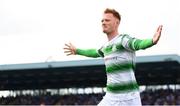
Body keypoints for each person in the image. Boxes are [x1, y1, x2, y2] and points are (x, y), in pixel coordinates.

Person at [63, 8, 163, 106]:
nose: (103, 22)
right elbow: (94, 52)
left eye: (107, 20)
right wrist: (77, 51)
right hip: (111, 97)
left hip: (129, 98)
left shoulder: (123, 40)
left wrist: (152, 41)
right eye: (102, 20)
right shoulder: (105, 47)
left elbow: (137, 44)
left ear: (117, 22)